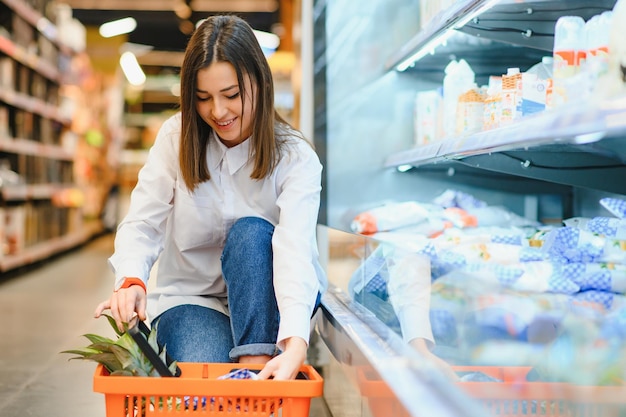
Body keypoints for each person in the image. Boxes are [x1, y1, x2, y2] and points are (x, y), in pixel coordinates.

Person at [94, 14, 326, 381]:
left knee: (252, 233)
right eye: (203, 98)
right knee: (207, 377)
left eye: (231, 95)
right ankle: (252, 383)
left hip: (274, 303)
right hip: (193, 300)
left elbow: (295, 250)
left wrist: (296, 340)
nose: (218, 112)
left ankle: (255, 372)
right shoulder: (177, 137)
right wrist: (131, 278)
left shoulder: (295, 157)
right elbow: (143, 220)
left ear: (261, 83)